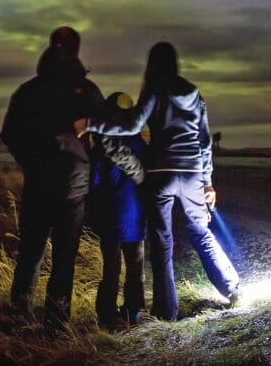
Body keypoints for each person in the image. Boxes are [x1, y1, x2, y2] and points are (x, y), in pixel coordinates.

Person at [75, 41, 239, 321]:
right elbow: (204, 141)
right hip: (192, 174)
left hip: (161, 173)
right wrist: (208, 182)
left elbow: (132, 126)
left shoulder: (154, 88)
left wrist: (90, 123)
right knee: (201, 231)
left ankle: (166, 313)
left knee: (162, 243)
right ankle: (231, 287)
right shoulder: (194, 93)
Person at [0, 29, 144, 331]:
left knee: (30, 254)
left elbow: (9, 134)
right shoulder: (87, 91)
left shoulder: (27, 91)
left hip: (38, 184)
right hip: (73, 187)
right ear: (77, 51)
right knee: (64, 258)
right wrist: (138, 172)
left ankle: (19, 318)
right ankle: (56, 325)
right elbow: (106, 141)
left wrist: (31, 162)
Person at [87, 91, 147, 328]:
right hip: (137, 217)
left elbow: (94, 183)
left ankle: (107, 316)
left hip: (111, 216)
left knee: (111, 269)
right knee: (135, 267)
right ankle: (134, 313)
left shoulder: (103, 147)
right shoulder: (141, 144)